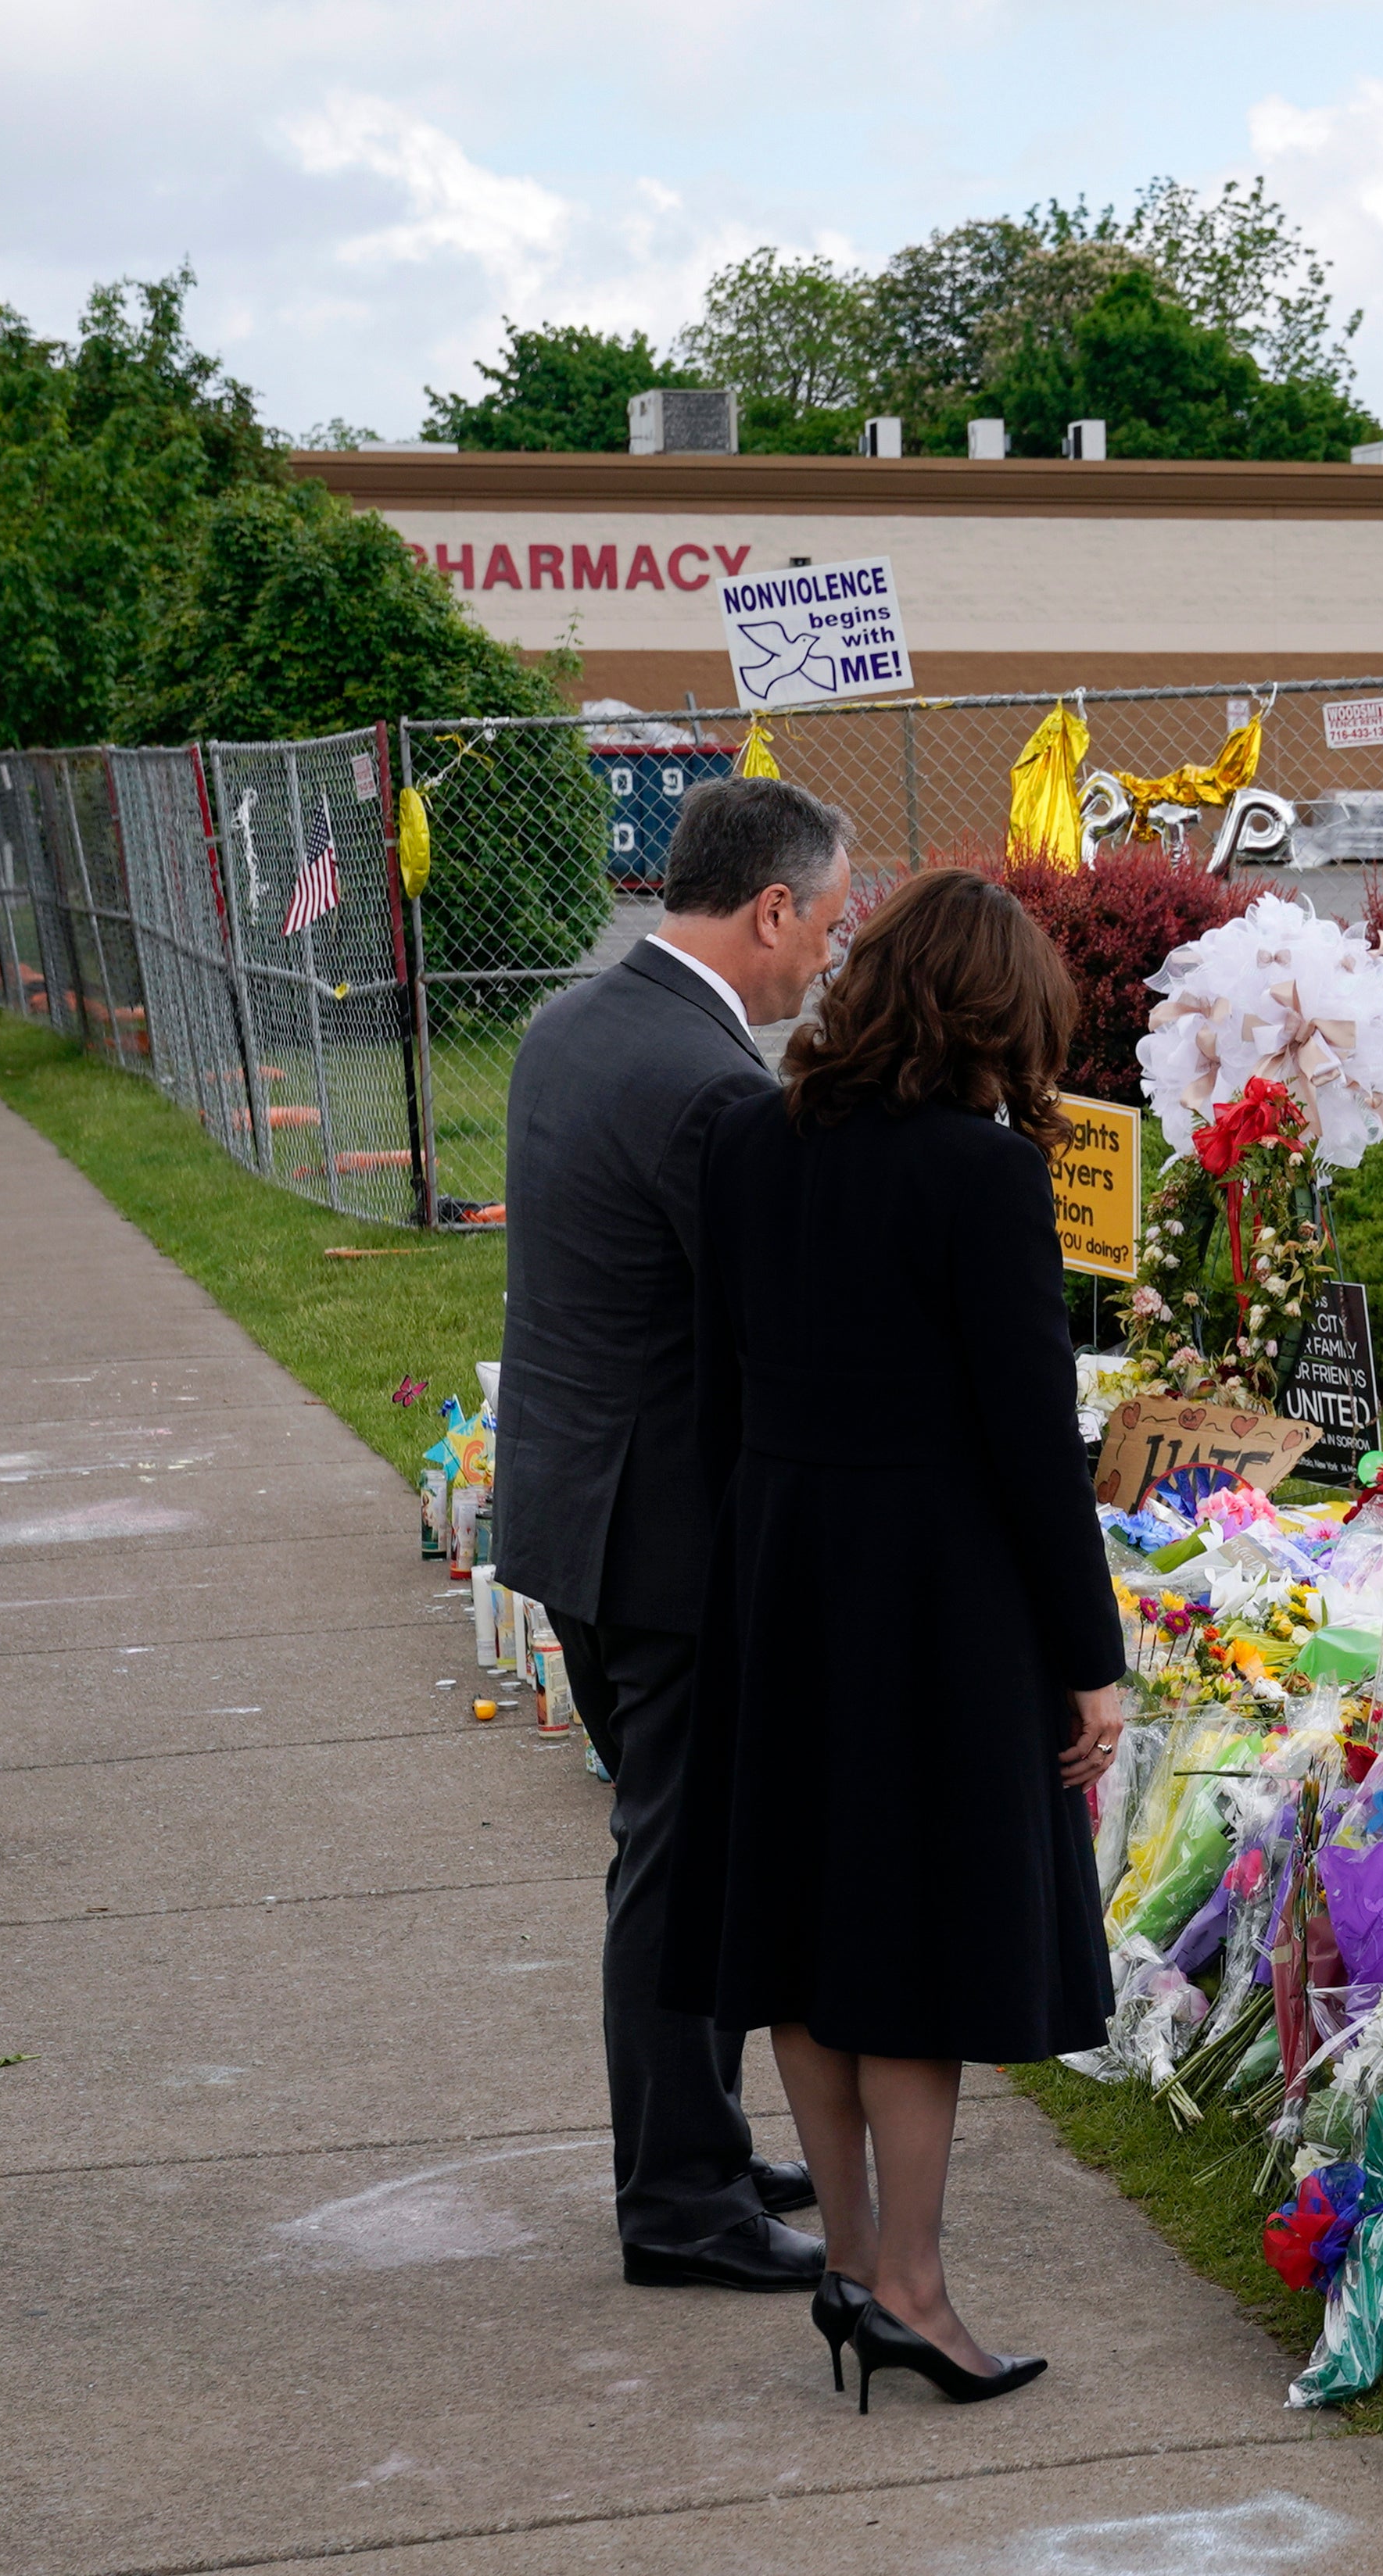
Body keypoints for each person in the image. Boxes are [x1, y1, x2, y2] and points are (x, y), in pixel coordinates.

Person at [668, 868, 1124, 2410]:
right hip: (932, 1593)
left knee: (804, 1924)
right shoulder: (979, 1177)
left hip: (784, 1565)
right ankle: (912, 2285)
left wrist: (747, 1556)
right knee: (916, 1941)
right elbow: (1030, 1443)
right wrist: (1092, 1652)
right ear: (996, 1015)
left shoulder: (748, 1142)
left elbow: (717, 1389)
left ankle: (856, 2258)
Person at [497, 776, 847, 2295]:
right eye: (825, 930)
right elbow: (772, 1327)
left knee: (687, 1851)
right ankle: (681, 2201)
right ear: (770, 908)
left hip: (577, 1506)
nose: (823, 964)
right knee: (683, 1871)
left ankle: (697, 2136)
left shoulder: (573, 1026)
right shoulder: (709, 1087)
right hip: (672, 1539)